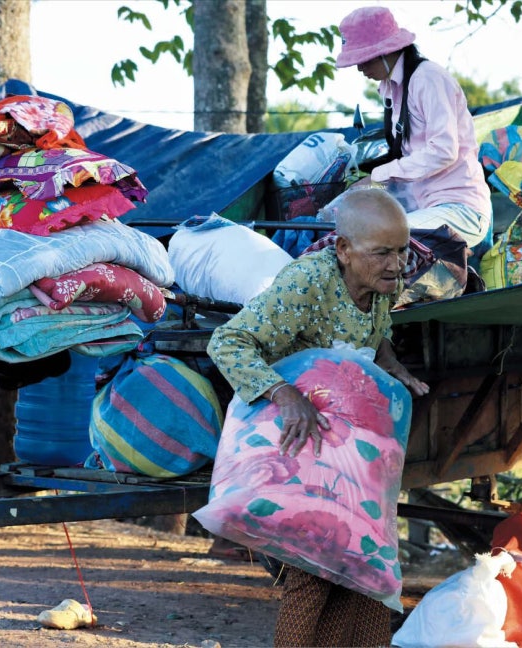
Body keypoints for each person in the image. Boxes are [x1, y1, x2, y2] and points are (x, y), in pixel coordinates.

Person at [207, 187, 429, 647]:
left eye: (403, 250)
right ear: (343, 250)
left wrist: (394, 368)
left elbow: (377, 333)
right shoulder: (306, 283)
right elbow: (227, 343)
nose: (396, 264)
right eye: (383, 253)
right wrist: (285, 394)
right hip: (296, 446)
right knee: (316, 563)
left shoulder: (383, 283)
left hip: (350, 449)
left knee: (366, 562)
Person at [335, 6, 494, 264]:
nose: (360, 68)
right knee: (340, 227)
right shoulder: (389, 88)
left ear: (387, 51)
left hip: (462, 210)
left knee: (379, 240)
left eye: (365, 58)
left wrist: (378, 176)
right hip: (425, 208)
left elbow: (443, 151)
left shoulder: (428, 78)